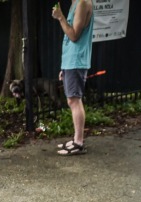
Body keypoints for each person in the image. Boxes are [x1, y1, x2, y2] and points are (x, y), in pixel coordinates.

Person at [51, 0, 94, 155]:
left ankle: (78, 142)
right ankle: (76, 139)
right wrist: (64, 66)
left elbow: (74, 35)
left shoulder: (82, 3)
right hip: (71, 61)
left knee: (74, 100)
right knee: (72, 100)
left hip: (77, 60)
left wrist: (60, 17)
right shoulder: (75, 3)